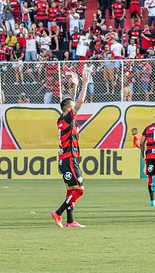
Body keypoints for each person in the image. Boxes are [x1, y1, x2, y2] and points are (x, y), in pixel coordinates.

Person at [51, 70, 90, 229]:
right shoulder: (67, 118)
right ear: (68, 110)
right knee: (79, 191)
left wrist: (74, 86)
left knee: (70, 191)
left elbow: (72, 102)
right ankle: (58, 213)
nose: (76, 110)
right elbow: (78, 103)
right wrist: (85, 83)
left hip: (64, 160)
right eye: (73, 108)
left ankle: (70, 221)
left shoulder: (62, 119)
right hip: (69, 158)